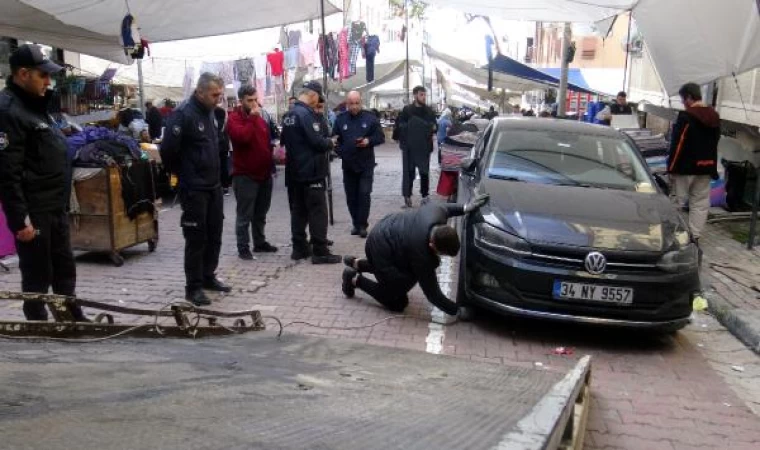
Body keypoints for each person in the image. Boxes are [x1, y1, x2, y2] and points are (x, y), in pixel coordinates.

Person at [0, 44, 88, 321]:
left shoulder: (37, 106)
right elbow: (6, 171)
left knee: (64, 265)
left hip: (55, 206)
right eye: (43, 76)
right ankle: (37, 324)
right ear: (23, 74)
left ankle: (70, 315)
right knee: (38, 273)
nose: (48, 82)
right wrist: (19, 220)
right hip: (34, 209)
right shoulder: (8, 111)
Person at [341, 194, 489, 318]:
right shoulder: (422, 255)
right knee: (398, 300)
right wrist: (457, 311)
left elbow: (448, 208)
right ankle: (354, 279)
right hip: (380, 248)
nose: (441, 257)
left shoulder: (435, 212)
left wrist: (465, 208)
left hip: (387, 228)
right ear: (432, 245)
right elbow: (433, 295)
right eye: (442, 254)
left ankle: (357, 263)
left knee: (405, 267)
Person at [161, 73, 232, 306]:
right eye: (214, 95)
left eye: (220, 95)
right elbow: (168, 152)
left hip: (213, 187)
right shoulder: (183, 115)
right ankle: (193, 287)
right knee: (196, 238)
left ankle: (208, 276)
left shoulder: (211, 113)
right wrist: (185, 176)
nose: (218, 99)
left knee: (215, 235)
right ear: (200, 92)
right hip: (194, 189)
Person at [280, 81, 341, 264]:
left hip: (294, 172)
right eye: (318, 100)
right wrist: (331, 142)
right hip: (311, 171)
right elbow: (317, 142)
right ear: (313, 95)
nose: (317, 104)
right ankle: (320, 250)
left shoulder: (289, 114)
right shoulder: (306, 114)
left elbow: (284, 141)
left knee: (298, 211)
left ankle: (299, 248)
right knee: (317, 211)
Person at [667, 82, 721, 247]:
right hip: (706, 167)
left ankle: (674, 235)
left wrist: (671, 167)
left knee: (677, 202)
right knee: (700, 203)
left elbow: (678, 144)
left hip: (685, 167)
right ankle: (694, 236)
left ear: (689, 97)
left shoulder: (686, 117)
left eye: (683, 99)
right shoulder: (714, 116)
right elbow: (715, 142)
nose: (683, 103)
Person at [227, 85, 278, 260]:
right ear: (241, 101)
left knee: (261, 212)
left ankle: (259, 242)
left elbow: (265, 142)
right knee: (244, 215)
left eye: (255, 99)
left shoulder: (261, 119)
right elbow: (243, 138)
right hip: (245, 175)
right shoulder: (234, 119)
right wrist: (252, 119)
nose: (254, 103)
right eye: (250, 100)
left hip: (263, 174)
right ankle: (243, 247)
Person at [333, 91, 385, 238]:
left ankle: (362, 225)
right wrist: (341, 152)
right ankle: (356, 223)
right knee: (351, 196)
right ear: (346, 104)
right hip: (348, 165)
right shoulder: (340, 119)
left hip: (366, 164)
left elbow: (380, 137)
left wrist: (368, 141)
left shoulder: (370, 118)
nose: (354, 106)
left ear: (361, 102)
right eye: (351, 103)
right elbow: (335, 140)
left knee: (364, 193)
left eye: (357, 103)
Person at [394, 86, 437, 208]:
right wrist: (412, 126)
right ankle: (407, 196)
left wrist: (430, 127)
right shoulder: (407, 110)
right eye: (421, 95)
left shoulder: (429, 111)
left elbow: (435, 126)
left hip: (424, 147)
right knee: (409, 172)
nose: (424, 97)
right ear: (415, 95)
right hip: (409, 148)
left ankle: (425, 196)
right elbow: (400, 125)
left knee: (424, 172)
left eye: (425, 95)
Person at [214, 106, 232, 195]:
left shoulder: (213, 123)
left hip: (216, 147)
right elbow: (227, 136)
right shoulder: (225, 124)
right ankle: (226, 188)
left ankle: (217, 186)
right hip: (224, 147)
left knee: (216, 167)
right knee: (224, 167)